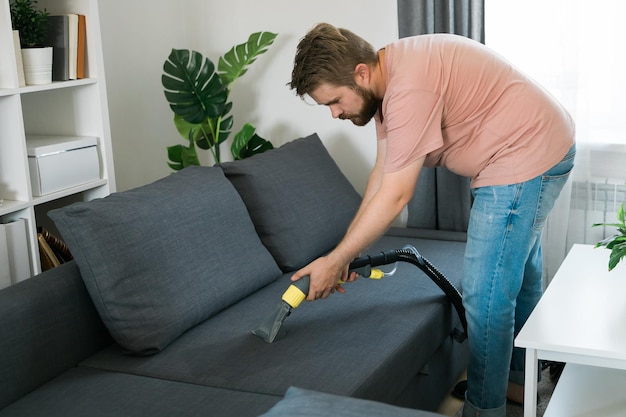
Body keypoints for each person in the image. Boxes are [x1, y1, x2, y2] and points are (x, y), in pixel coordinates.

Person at [288, 23, 575, 417]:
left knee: (485, 295)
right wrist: (344, 256)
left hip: (523, 158)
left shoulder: (408, 88)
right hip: (535, 146)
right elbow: (382, 175)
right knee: (519, 277)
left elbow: (397, 194)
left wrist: (336, 260)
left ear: (360, 73)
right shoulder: (389, 79)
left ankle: (484, 410)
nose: (335, 113)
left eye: (334, 101)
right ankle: (522, 384)